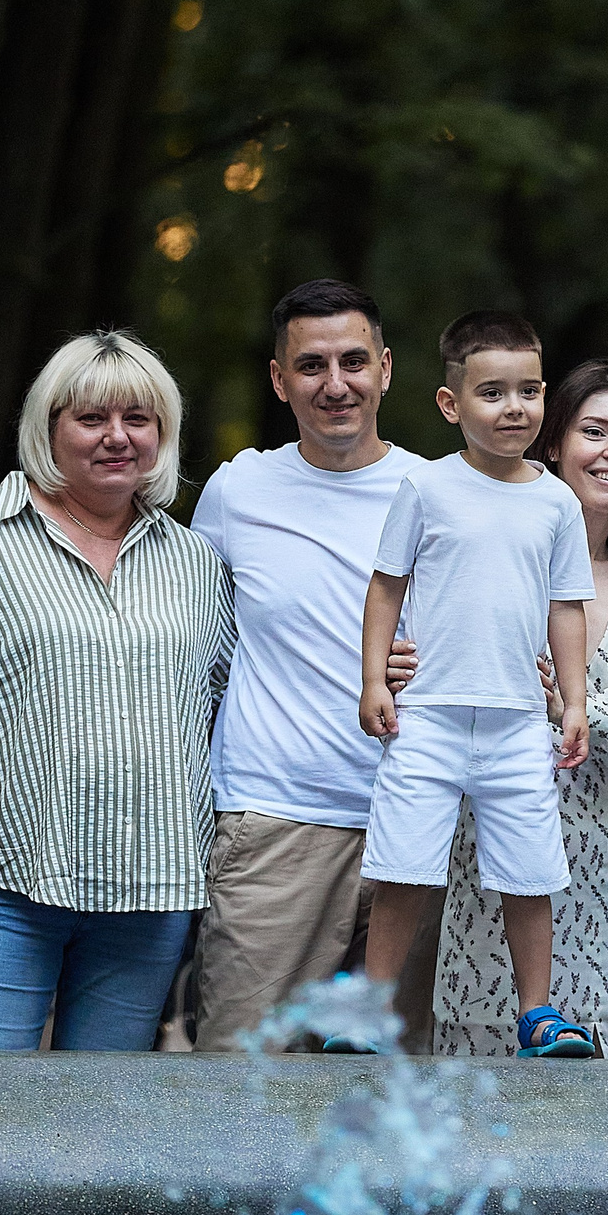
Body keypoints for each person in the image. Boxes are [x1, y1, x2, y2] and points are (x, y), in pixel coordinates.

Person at [0, 329, 234, 1051]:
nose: (118, 438)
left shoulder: (196, 563)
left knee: (102, 1131)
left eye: (138, 420)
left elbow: (235, 703)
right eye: (91, 419)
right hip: (7, 885)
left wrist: (380, 666)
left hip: (153, 890)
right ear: (49, 428)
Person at [349, 310, 597, 1059]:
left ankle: (537, 1012)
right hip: (426, 715)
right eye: (492, 393)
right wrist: (373, 680)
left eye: (528, 391)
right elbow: (385, 587)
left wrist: (576, 700)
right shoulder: (425, 487)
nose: (514, 408)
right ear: (451, 404)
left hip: (520, 720)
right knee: (403, 868)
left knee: (530, 871)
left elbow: (566, 606)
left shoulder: (556, 501)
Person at [188, 279, 425, 1051]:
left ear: (386, 369)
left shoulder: (442, 491)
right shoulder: (238, 490)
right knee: (241, 1078)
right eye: (312, 365)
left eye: (353, 361)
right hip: (275, 824)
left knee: (395, 1096)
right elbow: (194, 649)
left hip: (417, 828)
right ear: (278, 379)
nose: (335, 385)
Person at [433, 360, 608, 1059]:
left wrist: (560, 703)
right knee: (483, 1115)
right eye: (594, 431)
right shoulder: (487, 555)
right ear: (552, 444)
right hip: (496, 873)